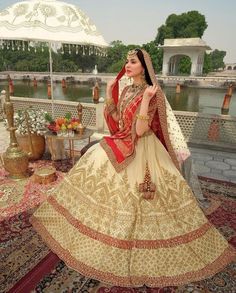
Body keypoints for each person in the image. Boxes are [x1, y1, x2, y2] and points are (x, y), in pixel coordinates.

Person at [30, 49, 235, 288]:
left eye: (133, 62)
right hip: (123, 140)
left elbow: (139, 131)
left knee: (148, 198)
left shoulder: (153, 93)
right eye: (126, 61)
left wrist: (146, 99)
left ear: (144, 67)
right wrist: (109, 93)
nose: (127, 65)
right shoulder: (126, 89)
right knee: (94, 167)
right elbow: (118, 123)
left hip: (144, 149)